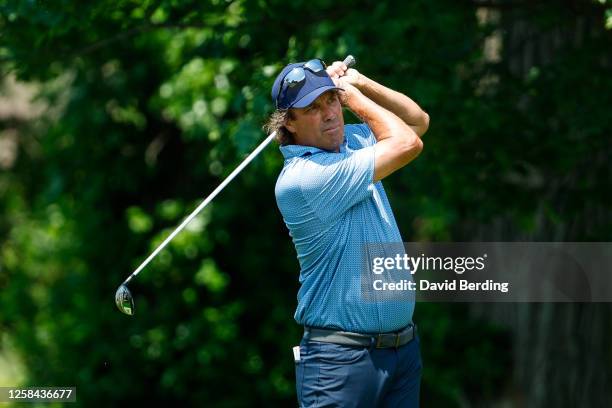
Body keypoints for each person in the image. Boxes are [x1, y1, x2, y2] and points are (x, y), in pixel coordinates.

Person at [264, 57, 429, 407]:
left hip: (402, 353)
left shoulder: (353, 142)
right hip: (340, 362)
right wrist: (349, 96)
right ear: (288, 123)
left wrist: (361, 82)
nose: (329, 113)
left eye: (331, 101)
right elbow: (408, 144)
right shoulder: (302, 179)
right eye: (312, 107)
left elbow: (417, 122)